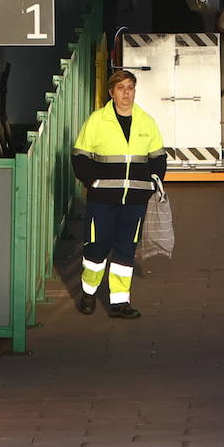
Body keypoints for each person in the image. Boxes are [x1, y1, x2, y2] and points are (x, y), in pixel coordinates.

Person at [70, 70, 167, 319]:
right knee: (96, 248)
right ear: (112, 93)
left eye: (130, 88)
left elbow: (158, 157)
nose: (126, 93)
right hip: (102, 200)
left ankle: (119, 302)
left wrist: (155, 180)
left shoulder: (147, 122)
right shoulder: (96, 121)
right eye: (121, 88)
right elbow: (80, 156)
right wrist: (93, 181)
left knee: (126, 250)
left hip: (135, 200)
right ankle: (88, 294)